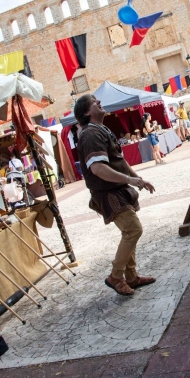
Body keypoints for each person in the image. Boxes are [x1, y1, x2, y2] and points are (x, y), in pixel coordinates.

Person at [74, 94, 156, 296]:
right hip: (107, 192)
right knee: (133, 230)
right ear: (86, 112)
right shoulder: (90, 135)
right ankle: (116, 276)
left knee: (130, 231)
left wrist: (138, 178)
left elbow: (119, 160)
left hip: (116, 189)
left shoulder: (101, 129)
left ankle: (131, 277)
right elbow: (98, 169)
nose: (100, 102)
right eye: (94, 102)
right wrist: (130, 180)